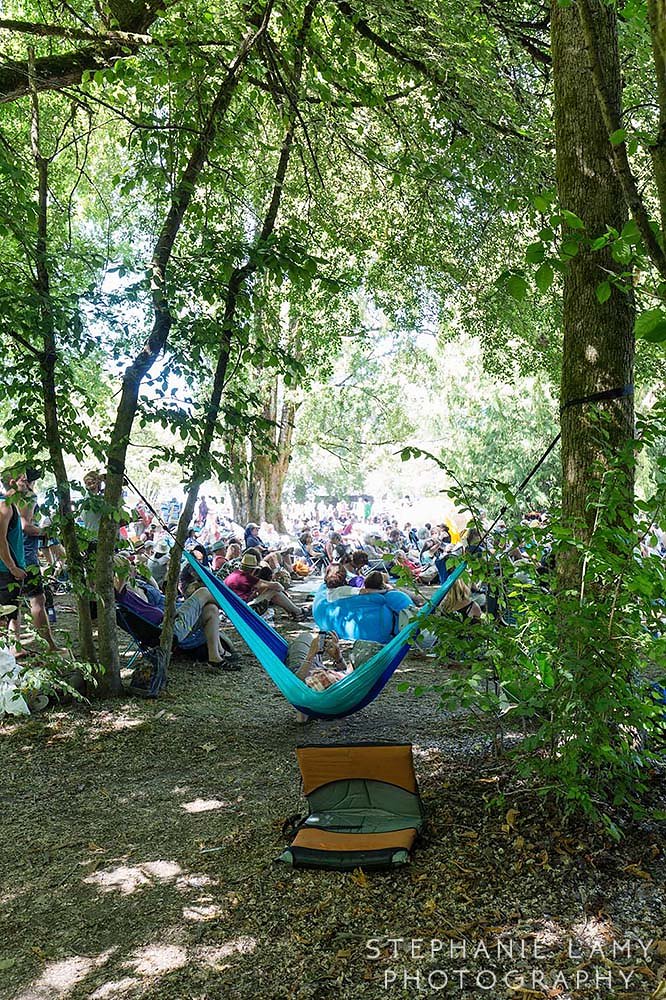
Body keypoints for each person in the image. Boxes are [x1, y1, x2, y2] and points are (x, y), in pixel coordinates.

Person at [114, 557, 239, 670]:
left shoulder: (129, 590)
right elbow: (119, 584)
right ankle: (237, 611)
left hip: (169, 621)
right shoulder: (118, 595)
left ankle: (216, 657)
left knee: (211, 609)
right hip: (166, 630)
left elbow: (152, 589)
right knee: (203, 592)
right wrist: (123, 570)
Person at [15, 468, 57, 650]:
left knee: (12, 603)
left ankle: (14, 648)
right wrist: (46, 532)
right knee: (38, 600)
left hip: (12, 555)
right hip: (26, 557)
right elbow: (25, 526)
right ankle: (50, 646)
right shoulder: (29, 497)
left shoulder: (8, 497)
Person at [224, 552, 308, 621]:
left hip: (231, 608)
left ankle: (293, 613)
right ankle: (298, 612)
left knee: (272, 592)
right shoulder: (247, 577)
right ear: (252, 569)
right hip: (243, 610)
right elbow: (278, 586)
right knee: (273, 591)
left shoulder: (234, 574)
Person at [0, 469, 27, 649]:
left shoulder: (11, 505)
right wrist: (12, 568)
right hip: (4, 572)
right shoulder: (4, 506)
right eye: (23, 480)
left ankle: (13, 653)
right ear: (11, 482)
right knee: (4, 616)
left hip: (10, 571)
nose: (27, 482)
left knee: (13, 612)